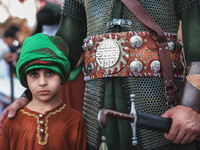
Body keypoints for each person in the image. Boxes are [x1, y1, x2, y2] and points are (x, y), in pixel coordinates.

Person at [1, 1, 200, 150]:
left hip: (162, 119)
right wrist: (27, 97)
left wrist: (191, 105)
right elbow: (62, 51)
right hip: (98, 120)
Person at [0, 33, 86, 150]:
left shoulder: (75, 121)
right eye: (34, 74)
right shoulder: (12, 122)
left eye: (50, 73)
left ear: (61, 75)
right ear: (25, 78)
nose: (42, 82)